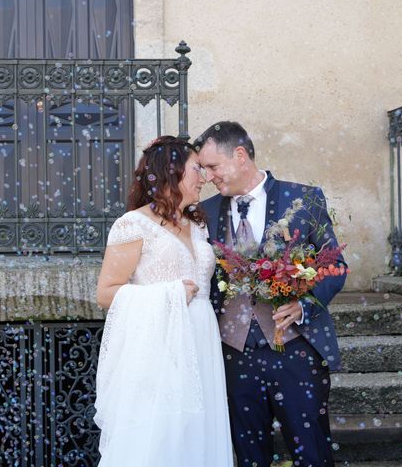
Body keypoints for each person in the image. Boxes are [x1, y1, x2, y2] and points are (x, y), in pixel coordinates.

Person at [196, 121, 347, 467]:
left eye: (212, 166)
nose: (208, 176)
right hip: (233, 355)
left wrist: (304, 304)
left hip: (295, 351)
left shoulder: (304, 198)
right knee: (248, 456)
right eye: (203, 169)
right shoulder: (206, 211)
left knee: (311, 453)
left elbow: (335, 264)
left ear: (239, 155)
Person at [94, 135, 233, 467]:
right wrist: (166, 295)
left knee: (197, 428)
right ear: (171, 173)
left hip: (201, 338)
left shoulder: (196, 225)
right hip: (160, 344)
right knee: (162, 431)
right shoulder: (133, 225)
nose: (205, 177)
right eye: (196, 169)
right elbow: (106, 293)